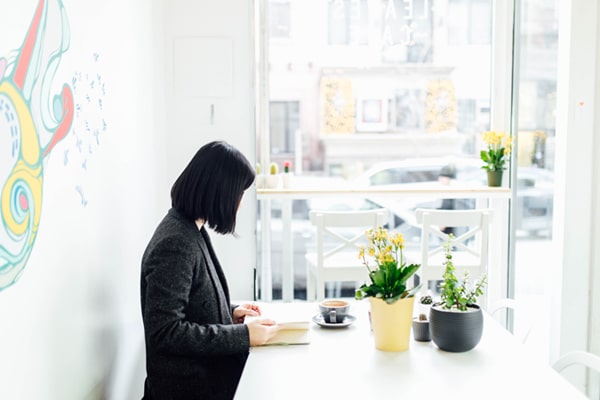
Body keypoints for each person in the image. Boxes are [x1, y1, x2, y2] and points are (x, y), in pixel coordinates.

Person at [140, 141, 280, 400]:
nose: (239, 204)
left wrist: (230, 312)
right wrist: (244, 335)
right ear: (220, 192)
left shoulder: (190, 229)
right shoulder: (176, 242)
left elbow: (189, 300)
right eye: (238, 193)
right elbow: (166, 332)